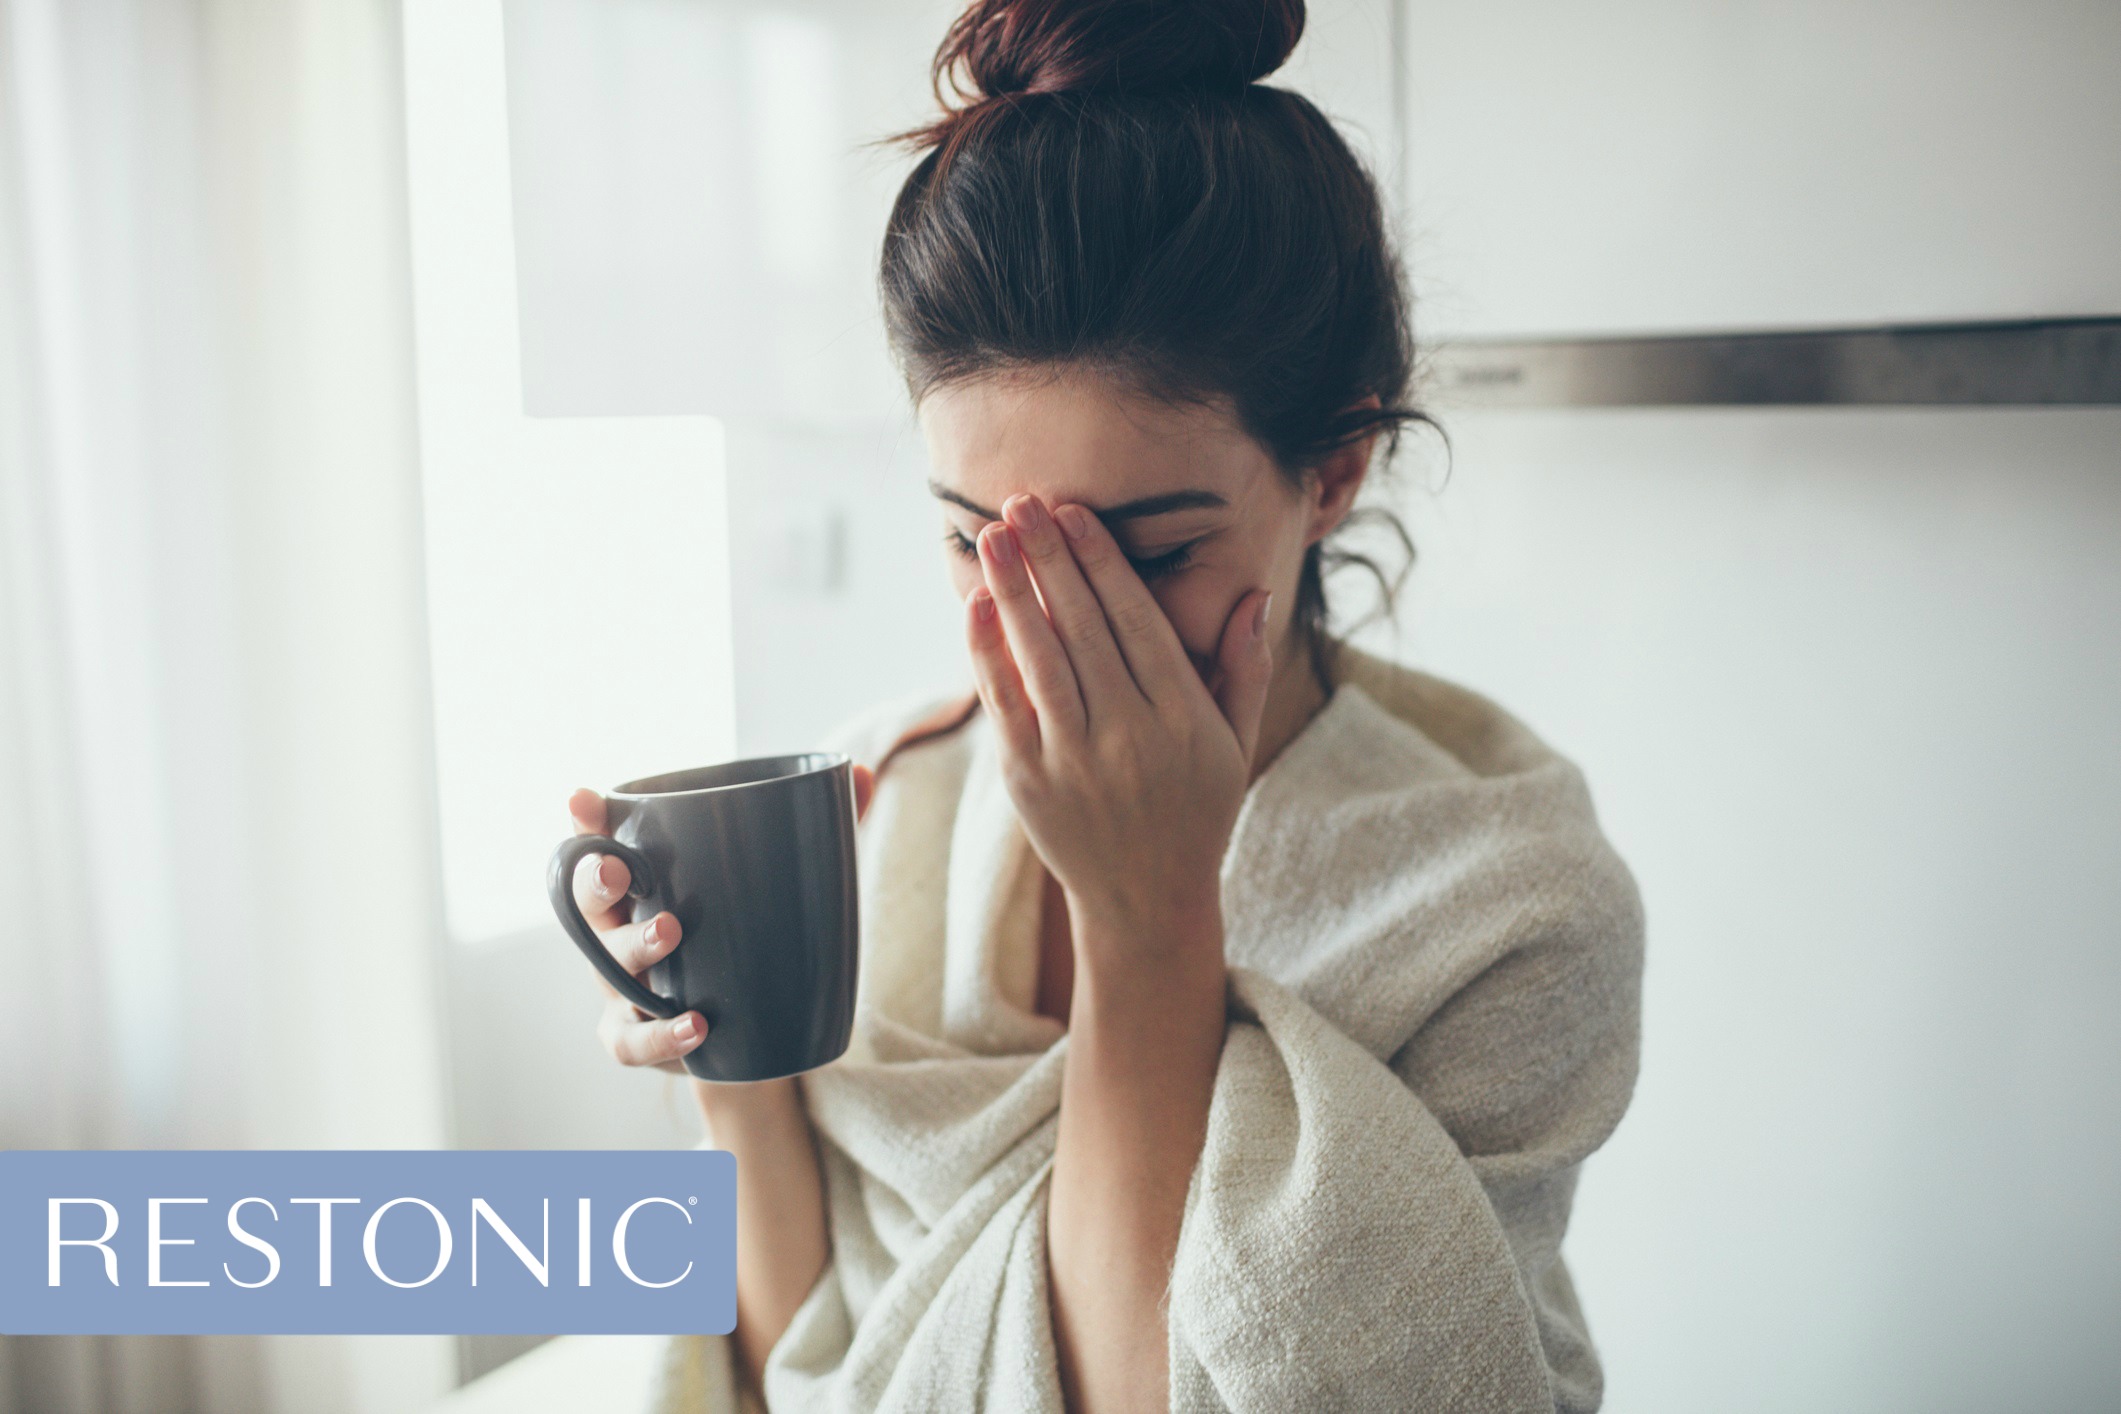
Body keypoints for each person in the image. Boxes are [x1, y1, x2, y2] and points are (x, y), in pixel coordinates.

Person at [565, 1, 1643, 1409]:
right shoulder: (881, 803)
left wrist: (1146, 915)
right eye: (977, 542)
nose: (1050, 629)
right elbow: (800, 1373)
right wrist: (733, 1067)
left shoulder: (1501, 903)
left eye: (1145, 555)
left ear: (1333, 470)